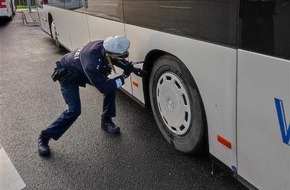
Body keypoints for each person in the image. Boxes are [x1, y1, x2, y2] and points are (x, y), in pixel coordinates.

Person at [38, 36, 135, 157]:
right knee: (74, 110)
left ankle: (106, 121)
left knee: (112, 89)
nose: (122, 57)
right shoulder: (92, 64)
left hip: (80, 69)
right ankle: (45, 136)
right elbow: (105, 87)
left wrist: (133, 69)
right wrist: (125, 76)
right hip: (68, 76)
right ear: (110, 53)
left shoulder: (103, 45)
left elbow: (114, 58)